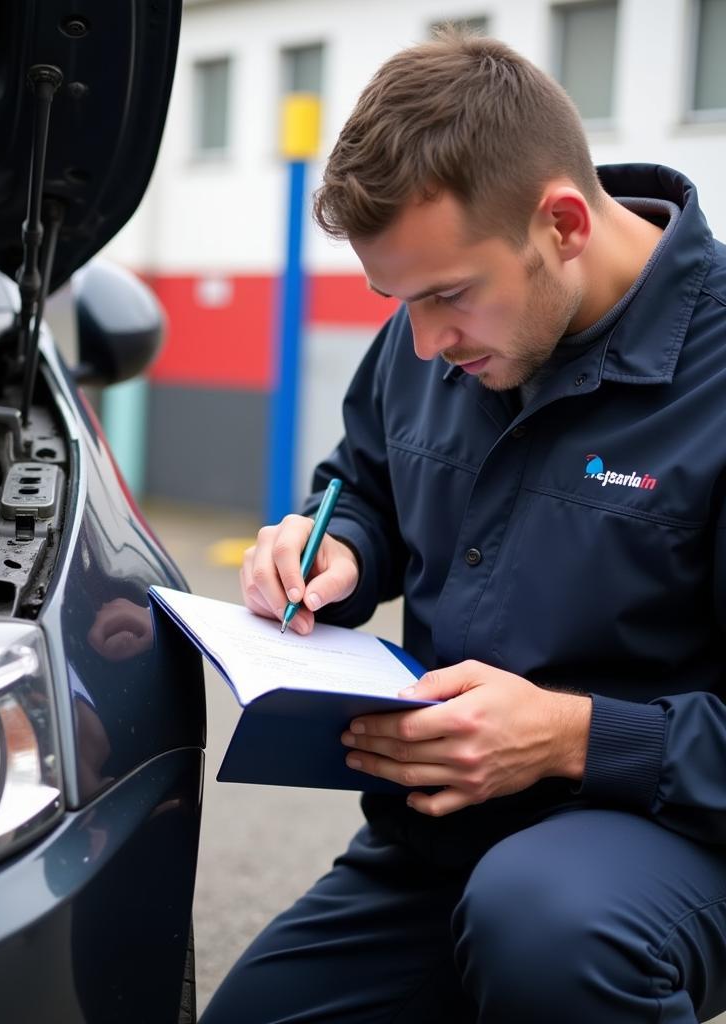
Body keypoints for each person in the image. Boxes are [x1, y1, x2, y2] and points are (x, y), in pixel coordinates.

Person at [200, 31, 726, 1024]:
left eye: (447, 295)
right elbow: (362, 485)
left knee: (543, 926)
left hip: (661, 839)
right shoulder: (435, 335)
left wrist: (569, 736)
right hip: (439, 844)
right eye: (396, 301)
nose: (427, 342)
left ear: (562, 223)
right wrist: (334, 545)